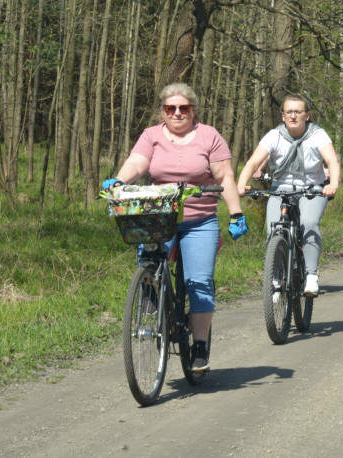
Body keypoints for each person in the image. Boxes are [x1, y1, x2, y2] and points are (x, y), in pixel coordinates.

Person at [104, 83, 245, 373]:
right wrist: (119, 180)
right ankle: (152, 298)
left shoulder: (209, 136)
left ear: (194, 111)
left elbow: (225, 175)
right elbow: (138, 163)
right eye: (171, 109)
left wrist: (236, 213)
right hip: (160, 217)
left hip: (199, 219)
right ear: (163, 112)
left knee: (199, 283)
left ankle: (200, 347)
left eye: (184, 108)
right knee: (148, 260)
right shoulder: (152, 136)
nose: (178, 113)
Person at [237, 94, 340, 297]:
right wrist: (241, 183)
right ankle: (276, 277)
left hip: (312, 188)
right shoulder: (274, 136)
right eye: (289, 112)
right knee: (273, 229)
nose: (293, 116)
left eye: (298, 112)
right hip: (281, 187)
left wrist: (333, 184)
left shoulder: (318, 135)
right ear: (283, 116)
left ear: (307, 115)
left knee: (309, 223)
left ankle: (311, 275)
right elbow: (252, 162)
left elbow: (332, 161)